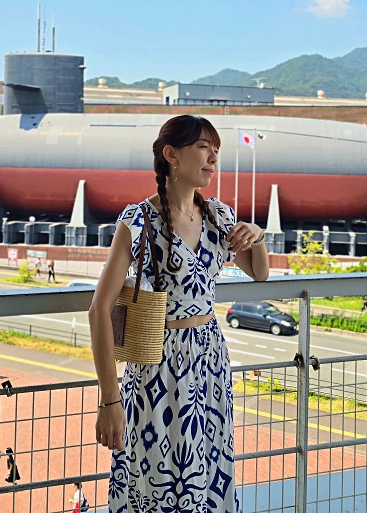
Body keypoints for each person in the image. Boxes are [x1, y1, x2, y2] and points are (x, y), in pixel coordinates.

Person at [89, 115, 270, 512]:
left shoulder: (217, 217)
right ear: (172, 154)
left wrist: (256, 234)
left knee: (207, 469)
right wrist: (109, 401)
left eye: (216, 151)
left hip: (209, 362)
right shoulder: (138, 222)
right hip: (158, 365)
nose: (213, 159)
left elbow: (260, 272)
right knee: (154, 475)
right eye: (204, 147)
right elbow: (99, 309)